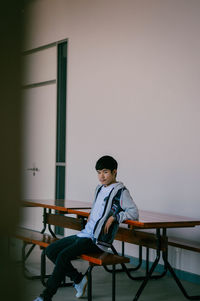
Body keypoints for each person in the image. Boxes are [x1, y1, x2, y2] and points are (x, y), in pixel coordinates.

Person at [34, 155, 139, 301]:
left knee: (63, 256)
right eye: (98, 172)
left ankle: (45, 297)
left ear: (114, 172)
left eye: (105, 172)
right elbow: (99, 208)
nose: (101, 176)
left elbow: (134, 213)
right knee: (51, 250)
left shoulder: (121, 192)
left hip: (98, 240)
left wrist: (115, 217)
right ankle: (78, 279)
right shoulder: (99, 189)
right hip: (86, 234)